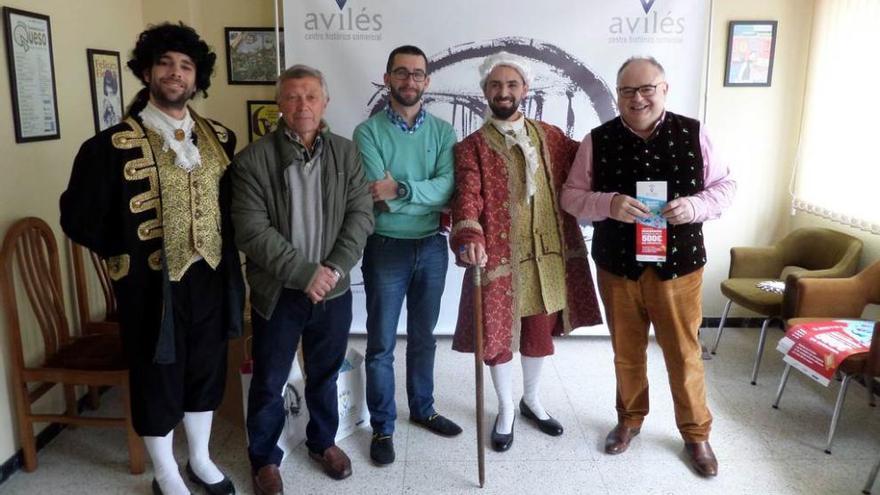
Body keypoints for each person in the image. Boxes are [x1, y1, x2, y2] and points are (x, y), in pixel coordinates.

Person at [60, 23, 244, 495]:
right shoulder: (106, 147)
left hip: (211, 276)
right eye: (165, 63)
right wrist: (124, 253)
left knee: (205, 366)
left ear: (197, 76)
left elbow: (231, 207)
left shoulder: (220, 139)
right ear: (146, 71)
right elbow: (77, 217)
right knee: (156, 372)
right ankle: (166, 471)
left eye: (185, 66)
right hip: (149, 286)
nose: (175, 73)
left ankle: (200, 458)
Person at [561, 56, 736, 477]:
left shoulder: (695, 133)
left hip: (679, 268)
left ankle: (696, 433)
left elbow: (726, 187)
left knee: (684, 353)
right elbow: (570, 195)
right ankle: (629, 419)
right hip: (618, 267)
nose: (637, 98)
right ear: (618, 94)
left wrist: (694, 206)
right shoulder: (596, 139)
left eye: (646, 89)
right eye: (627, 91)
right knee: (626, 352)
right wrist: (608, 204)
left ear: (664, 89)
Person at [230, 64, 373, 494]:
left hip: (334, 289)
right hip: (280, 292)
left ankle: (322, 441)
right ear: (279, 104)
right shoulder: (253, 160)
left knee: (325, 372)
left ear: (325, 102)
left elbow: (361, 216)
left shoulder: (347, 154)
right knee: (271, 379)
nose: (302, 105)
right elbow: (251, 231)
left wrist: (330, 271)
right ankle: (264, 459)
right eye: (292, 97)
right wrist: (304, 273)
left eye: (311, 96)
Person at [450, 51, 603, 452]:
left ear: (525, 89)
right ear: (485, 91)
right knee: (499, 338)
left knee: (538, 336)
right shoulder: (471, 148)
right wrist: (470, 238)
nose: (504, 92)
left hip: (548, 258)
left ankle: (531, 400)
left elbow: (589, 161)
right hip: (498, 261)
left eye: (512, 84)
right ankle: (505, 409)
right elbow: (468, 197)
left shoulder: (551, 136)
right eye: (496, 85)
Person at [353, 45, 461, 466]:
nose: (410, 81)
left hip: (432, 246)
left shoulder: (443, 132)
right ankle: (383, 426)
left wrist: (401, 189)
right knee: (380, 344)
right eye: (402, 73)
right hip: (386, 248)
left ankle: (423, 408)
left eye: (418, 74)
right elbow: (375, 197)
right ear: (387, 78)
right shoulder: (368, 133)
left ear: (427, 81)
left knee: (424, 339)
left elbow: (447, 191)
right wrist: (423, 194)